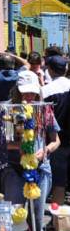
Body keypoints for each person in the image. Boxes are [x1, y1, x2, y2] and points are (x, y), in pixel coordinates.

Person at [0, 69, 59, 231]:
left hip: (40, 169)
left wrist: (46, 150)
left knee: (36, 219)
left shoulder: (44, 110)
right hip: (13, 168)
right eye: (25, 91)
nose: (29, 95)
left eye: (33, 92)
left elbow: (55, 140)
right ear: (17, 89)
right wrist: (16, 145)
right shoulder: (6, 109)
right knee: (12, 217)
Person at [41, 55, 70, 205]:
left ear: (50, 70)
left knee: (58, 183)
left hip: (57, 141)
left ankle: (57, 220)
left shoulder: (45, 91)